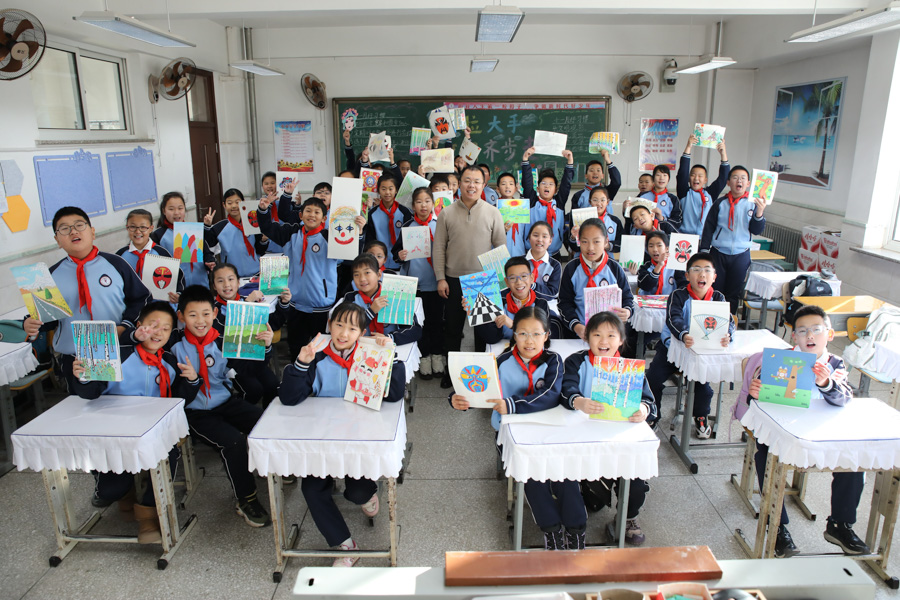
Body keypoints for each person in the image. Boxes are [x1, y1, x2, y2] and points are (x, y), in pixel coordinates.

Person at [735, 305, 870, 558]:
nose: (809, 336)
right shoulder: (778, 361)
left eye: (816, 330)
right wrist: (756, 394)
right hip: (782, 429)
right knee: (766, 455)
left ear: (829, 334)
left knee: (854, 458)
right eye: (802, 331)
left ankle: (840, 525)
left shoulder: (834, 363)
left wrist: (826, 383)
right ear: (793, 336)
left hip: (822, 432)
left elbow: (844, 398)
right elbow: (758, 400)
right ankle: (777, 526)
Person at [280, 303, 406, 567]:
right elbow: (289, 398)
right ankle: (345, 544)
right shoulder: (317, 354)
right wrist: (302, 363)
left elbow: (394, 395)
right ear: (329, 325)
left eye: (352, 328)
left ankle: (367, 494)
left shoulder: (370, 354)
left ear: (362, 333)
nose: (343, 333)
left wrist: (390, 357)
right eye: (338, 325)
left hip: (359, 439)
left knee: (357, 493)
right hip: (323, 438)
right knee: (312, 489)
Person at [71, 301, 199, 543]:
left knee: (169, 455)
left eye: (165, 329)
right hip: (112, 433)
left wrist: (193, 380)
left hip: (152, 433)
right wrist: (83, 378)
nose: (158, 333)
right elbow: (90, 393)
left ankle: (148, 515)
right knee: (110, 491)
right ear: (139, 326)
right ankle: (124, 492)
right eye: (153, 326)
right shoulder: (117, 355)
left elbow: (179, 399)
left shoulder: (169, 362)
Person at [450, 307, 577, 549]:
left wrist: (511, 404)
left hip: (549, 433)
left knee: (563, 472)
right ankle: (551, 530)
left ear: (546, 335)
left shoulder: (554, 361)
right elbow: (478, 389)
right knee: (530, 475)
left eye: (536, 334)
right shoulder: (500, 362)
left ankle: (576, 529)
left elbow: (550, 395)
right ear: (514, 334)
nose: (529, 341)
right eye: (522, 333)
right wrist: (457, 399)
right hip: (510, 437)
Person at [169, 285, 269, 526]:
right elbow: (174, 393)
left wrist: (264, 347)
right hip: (195, 412)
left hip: (226, 401)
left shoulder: (224, 340)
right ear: (181, 316)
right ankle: (246, 498)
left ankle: (272, 470)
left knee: (265, 423)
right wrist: (191, 381)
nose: (200, 321)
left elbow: (246, 370)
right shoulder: (173, 347)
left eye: (205, 314)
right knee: (233, 442)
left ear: (215, 313)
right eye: (192, 315)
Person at [24, 207, 150, 391]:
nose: (73, 231)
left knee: (126, 401)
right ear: (57, 240)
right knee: (85, 405)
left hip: (119, 348)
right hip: (75, 359)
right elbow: (46, 322)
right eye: (64, 229)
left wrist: (125, 325)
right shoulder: (46, 277)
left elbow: (142, 299)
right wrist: (31, 324)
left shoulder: (116, 263)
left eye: (79, 225)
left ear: (92, 232)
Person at [561, 311, 657, 545]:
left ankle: (628, 517)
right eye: (597, 335)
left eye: (611, 335)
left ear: (621, 340)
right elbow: (566, 390)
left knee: (636, 480)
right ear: (587, 338)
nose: (603, 341)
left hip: (619, 437)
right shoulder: (576, 361)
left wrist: (643, 409)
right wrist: (579, 401)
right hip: (582, 437)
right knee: (590, 499)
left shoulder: (630, 369)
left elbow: (650, 402)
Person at [645, 253, 733, 437]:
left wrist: (728, 335)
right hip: (672, 349)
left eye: (707, 270)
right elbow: (673, 318)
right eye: (696, 270)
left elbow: (729, 321)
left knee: (703, 388)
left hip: (701, 354)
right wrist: (684, 334)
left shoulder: (718, 298)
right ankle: (653, 414)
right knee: (652, 378)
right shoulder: (678, 295)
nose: (702, 274)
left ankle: (700, 416)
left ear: (714, 277)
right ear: (687, 275)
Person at [433, 164, 506, 387]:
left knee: (482, 333)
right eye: (467, 181)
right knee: (452, 329)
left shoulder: (493, 212)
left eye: (476, 181)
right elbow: (439, 247)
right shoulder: (446, 213)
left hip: (483, 281)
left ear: (483, 185)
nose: (471, 185)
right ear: (459, 184)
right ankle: (452, 373)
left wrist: (499, 282)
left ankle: (481, 375)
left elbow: (500, 248)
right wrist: (441, 278)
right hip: (453, 279)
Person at [257, 196, 338, 358]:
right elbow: (267, 228)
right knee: (295, 346)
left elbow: (352, 251)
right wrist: (263, 211)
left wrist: (359, 231)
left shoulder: (331, 237)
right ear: (301, 215)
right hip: (296, 305)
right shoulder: (291, 233)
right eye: (308, 211)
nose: (312, 215)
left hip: (321, 306)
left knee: (322, 350)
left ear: (324, 218)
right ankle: (296, 371)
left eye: (317, 212)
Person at [211, 263, 289, 407]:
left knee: (273, 385)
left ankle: (266, 416)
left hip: (253, 357)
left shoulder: (247, 300)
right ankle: (242, 415)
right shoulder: (213, 311)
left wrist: (284, 303)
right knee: (254, 390)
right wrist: (246, 304)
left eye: (231, 279)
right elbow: (225, 337)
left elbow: (272, 324)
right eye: (220, 281)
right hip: (231, 363)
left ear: (238, 282)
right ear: (214, 286)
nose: (226, 285)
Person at [392, 187, 445, 379]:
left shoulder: (440, 224)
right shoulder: (407, 226)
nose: (423, 205)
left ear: (433, 203)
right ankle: (424, 358)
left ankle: (437, 357)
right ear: (413, 205)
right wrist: (400, 255)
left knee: (436, 322)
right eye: (419, 202)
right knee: (418, 324)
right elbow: (395, 253)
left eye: (427, 201)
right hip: (415, 286)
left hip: (436, 283)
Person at [700, 165, 767, 314]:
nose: (739, 181)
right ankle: (712, 319)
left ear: (748, 183)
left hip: (741, 254)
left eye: (743, 178)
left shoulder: (754, 204)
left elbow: (756, 230)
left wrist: (760, 212)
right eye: (735, 177)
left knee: (733, 292)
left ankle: (730, 321)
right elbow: (709, 227)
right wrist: (704, 251)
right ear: (728, 182)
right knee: (715, 289)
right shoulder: (720, 203)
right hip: (718, 252)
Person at [558, 218, 633, 341]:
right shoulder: (571, 268)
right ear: (579, 241)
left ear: (606, 241)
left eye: (596, 241)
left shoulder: (614, 268)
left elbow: (628, 298)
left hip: (609, 335)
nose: (590, 248)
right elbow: (564, 303)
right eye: (585, 242)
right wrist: (576, 326)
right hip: (579, 335)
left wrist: (627, 311)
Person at [336, 253, 422, 346]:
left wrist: (389, 338)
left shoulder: (395, 294)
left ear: (379, 274)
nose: (362, 279)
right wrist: (371, 312)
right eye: (356, 275)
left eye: (367, 273)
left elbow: (415, 331)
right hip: (361, 347)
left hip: (390, 347)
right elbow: (344, 327)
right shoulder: (351, 298)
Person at [473, 257, 555, 345]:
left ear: (532, 278)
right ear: (506, 282)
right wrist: (476, 312)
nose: (519, 282)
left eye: (524, 276)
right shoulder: (499, 303)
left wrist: (513, 325)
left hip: (531, 350)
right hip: (504, 349)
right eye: (512, 278)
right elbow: (492, 338)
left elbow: (542, 336)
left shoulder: (541, 304)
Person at [116, 208, 184, 305]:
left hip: (160, 306)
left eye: (143, 227)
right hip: (132, 306)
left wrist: (178, 293)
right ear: (127, 228)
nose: (138, 231)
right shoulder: (120, 256)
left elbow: (177, 276)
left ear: (151, 228)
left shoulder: (161, 252)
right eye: (133, 227)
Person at [150, 191, 212, 288]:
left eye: (180, 208)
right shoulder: (158, 235)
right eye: (171, 209)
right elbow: (155, 264)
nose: (176, 212)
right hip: (176, 288)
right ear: (164, 211)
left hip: (200, 284)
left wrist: (210, 262)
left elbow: (207, 253)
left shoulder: (193, 229)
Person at [521, 147, 574, 259]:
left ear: (555, 190)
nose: (547, 186)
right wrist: (525, 160)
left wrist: (570, 162)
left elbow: (566, 184)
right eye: (543, 183)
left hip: (554, 253)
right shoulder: (532, 202)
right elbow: (527, 183)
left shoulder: (559, 203)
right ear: (538, 188)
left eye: (551, 184)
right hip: (532, 253)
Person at [205, 188, 268, 277]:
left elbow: (260, 250)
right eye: (229, 203)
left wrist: (264, 240)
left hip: (255, 272)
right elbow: (207, 245)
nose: (234, 206)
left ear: (243, 202)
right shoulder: (220, 227)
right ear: (224, 205)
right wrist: (207, 226)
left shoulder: (252, 223)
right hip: (231, 275)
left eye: (237, 202)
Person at [676, 136, 729, 236]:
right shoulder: (684, 192)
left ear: (705, 180)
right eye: (693, 175)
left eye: (700, 176)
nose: (696, 178)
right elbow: (683, 172)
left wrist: (723, 153)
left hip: (704, 237)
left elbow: (723, 178)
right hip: (684, 237)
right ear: (688, 178)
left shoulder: (710, 194)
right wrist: (689, 146)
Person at [363, 173, 411, 271]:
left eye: (390, 189)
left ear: (396, 190)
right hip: (379, 263)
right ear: (378, 191)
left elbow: (408, 238)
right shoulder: (372, 214)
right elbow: (370, 240)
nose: (387, 192)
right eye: (383, 189)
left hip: (401, 262)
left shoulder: (404, 212)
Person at [568, 186, 623, 254]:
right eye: (595, 200)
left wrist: (608, 245)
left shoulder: (615, 221)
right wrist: (573, 238)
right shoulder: (580, 219)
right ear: (589, 201)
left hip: (607, 258)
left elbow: (621, 244)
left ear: (607, 202)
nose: (599, 203)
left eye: (602, 200)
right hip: (584, 257)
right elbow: (574, 247)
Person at [637, 231, 687, 295]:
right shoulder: (644, 267)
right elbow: (646, 286)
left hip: (669, 300)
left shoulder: (675, 267)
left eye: (659, 245)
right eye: (651, 246)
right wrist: (659, 265)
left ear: (667, 249)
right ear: (647, 249)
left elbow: (683, 286)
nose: (655, 249)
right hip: (647, 300)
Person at [525, 221, 562, 303]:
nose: (540, 240)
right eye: (535, 235)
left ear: (550, 241)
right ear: (529, 238)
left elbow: (552, 293)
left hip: (545, 305)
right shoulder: (519, 262)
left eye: (544, 236)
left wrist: (532, 286)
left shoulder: (555, 265)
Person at [496, 172, 526, 257]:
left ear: (515, 188)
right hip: (499, 254)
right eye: (503, 184)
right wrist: (501, 231)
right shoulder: (493, 209)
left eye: (511, 184)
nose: (507, 186)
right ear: (498, 189)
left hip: (519, 252)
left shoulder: (523, 208)